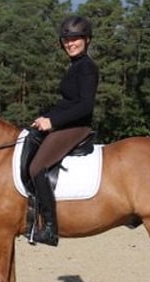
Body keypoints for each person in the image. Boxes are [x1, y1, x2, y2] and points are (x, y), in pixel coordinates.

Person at [26, 15, 99, 247]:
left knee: (37, 167)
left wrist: (53, 122)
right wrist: (46, 117)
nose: (70, 43)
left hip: (77, 127)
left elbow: (85, 105)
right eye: (66, 40)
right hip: (66, 123)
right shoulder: (75, 67)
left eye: (75, 39)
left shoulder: (87, 67)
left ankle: (49, 229)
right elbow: (68, 102)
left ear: (86, 40)